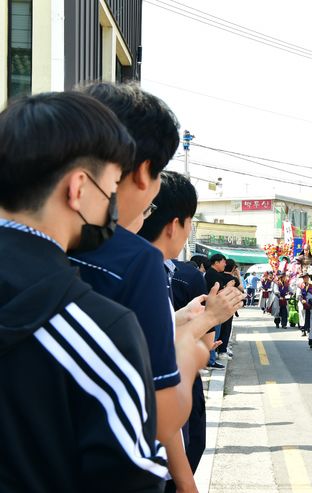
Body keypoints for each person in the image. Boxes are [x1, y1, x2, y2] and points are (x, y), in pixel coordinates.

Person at [70, 82, 237, 487]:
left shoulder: (53, 246)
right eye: (159, 170)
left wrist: (179, 321)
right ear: (142, 171)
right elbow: (161, 411)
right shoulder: (131, 261)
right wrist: (189, 348)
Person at [0, 91, 167, 490]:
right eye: (110, 186)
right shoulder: (103, 330)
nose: (111, 202)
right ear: (78, 188)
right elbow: (133, 480)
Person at [137, 171, 241, 491]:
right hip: (151, 453)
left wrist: (183, 317)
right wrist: (208, 320)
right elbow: (158, 366)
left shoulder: (152, 269)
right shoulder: (142, 271)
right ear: (175, 224)